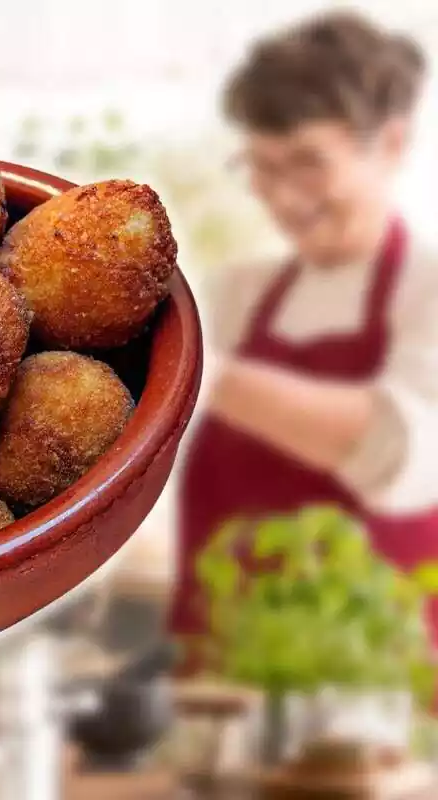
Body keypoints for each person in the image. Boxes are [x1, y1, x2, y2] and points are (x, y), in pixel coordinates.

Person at [171, 12, 436, 646]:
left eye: (308, 163)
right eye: (262, 167)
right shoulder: (239, 294)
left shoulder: (427, 288)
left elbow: (402, 451)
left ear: (392, 146)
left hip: (377, 677)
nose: (284, 197)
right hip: (215, 668)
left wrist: (205, 370)